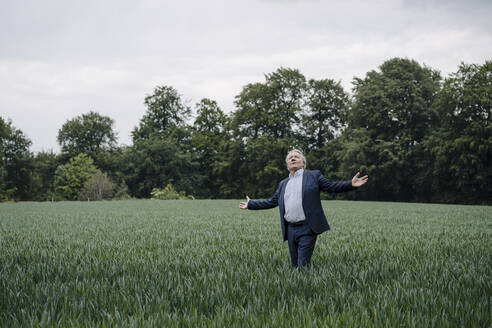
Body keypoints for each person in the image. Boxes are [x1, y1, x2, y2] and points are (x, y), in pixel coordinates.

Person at [239, 149, 368, 269]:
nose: (293, 158)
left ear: (303, 163)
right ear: (287, 165)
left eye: (296, 156)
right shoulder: (283, 183)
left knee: (302, 267)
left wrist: (350, 184)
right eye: (290, 158)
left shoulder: (313, 176)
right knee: (295, 265)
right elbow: (272, 201)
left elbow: (332, 186)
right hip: (290, 229)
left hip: (307, 228)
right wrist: (251, 204)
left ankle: (306, 290)